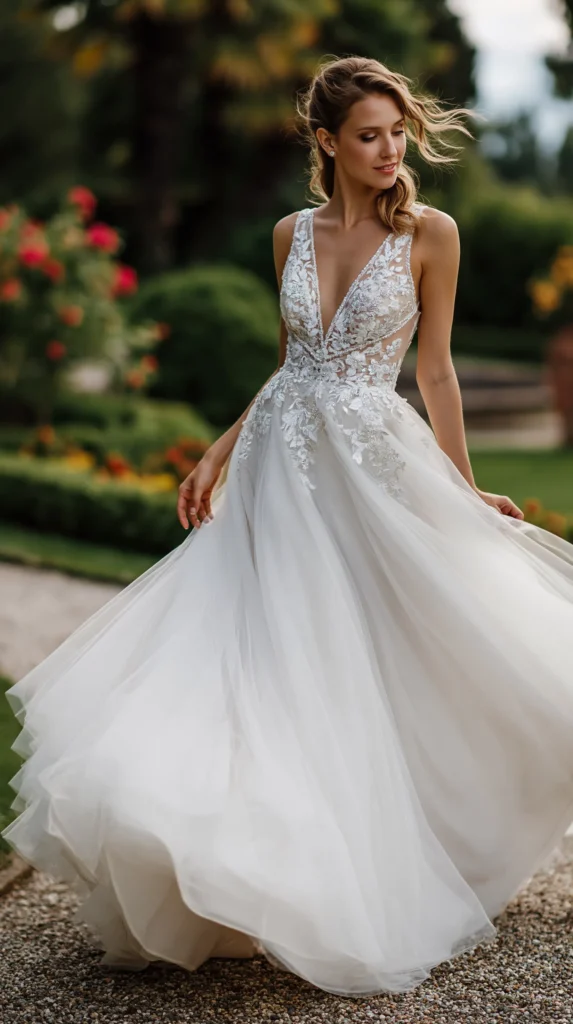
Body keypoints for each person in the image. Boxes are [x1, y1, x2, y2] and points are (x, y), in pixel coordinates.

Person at [3, 55, 573, 1000]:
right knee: (274, 654)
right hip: (279, 467)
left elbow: (432, 374)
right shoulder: (288, 236)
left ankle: (410, 846)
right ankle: (259, 871)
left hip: (373, 466)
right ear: (325, 142)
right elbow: (291, 365)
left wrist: (464, 493)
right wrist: (218, 451)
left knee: (413, 644)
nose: (389, 151)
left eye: (397, 133)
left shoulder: (433, 234)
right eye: (367, 136)